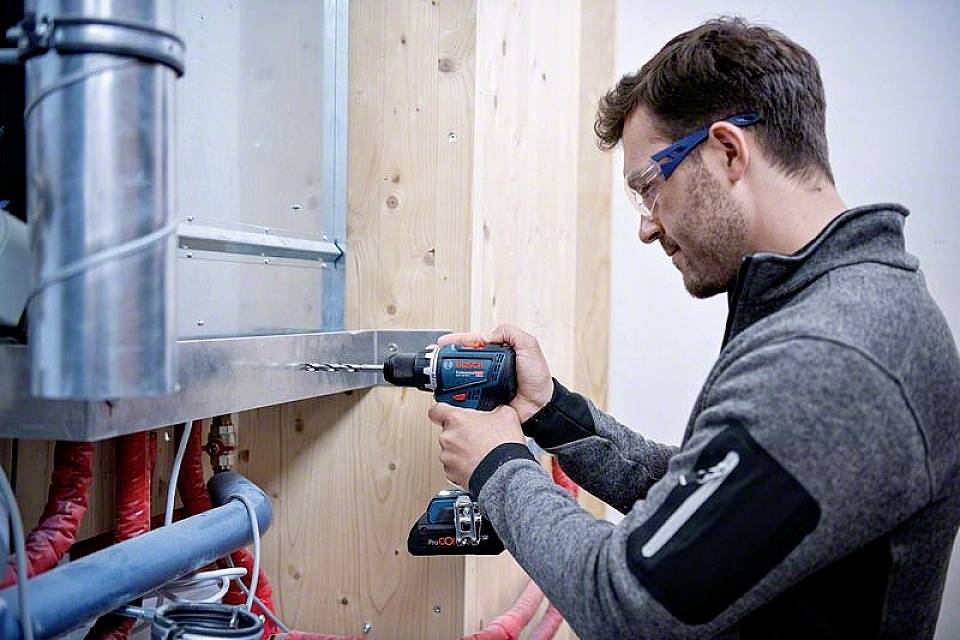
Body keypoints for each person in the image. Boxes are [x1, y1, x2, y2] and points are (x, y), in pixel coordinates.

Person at [426, 16, 960, 640]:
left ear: (728, 151)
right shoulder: (847, 305)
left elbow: (631, 605)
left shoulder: (834, 354)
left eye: (649, 188)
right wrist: (552, 413)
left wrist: (497, 468)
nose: (647, 227)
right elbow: (711, 507)